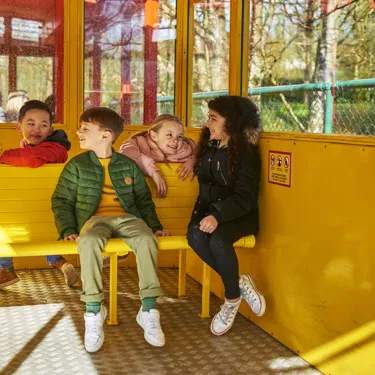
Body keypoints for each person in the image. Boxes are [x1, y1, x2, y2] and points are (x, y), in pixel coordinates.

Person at [51, 107, 169, 353]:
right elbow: (62, 201)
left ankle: (148, 309)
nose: (78, 132)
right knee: (89, 241)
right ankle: (93, 310)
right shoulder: (77, 165)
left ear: (105, 135)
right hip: (93, 220)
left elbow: (143, 201)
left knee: (147, 239)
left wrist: (155, 227)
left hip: (127, 218)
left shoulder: (127, 165)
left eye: (85, 129)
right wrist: (68, 229)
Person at [187, 95, 266, 336]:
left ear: (231, 123)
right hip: (208, 212)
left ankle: (231, 299)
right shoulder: (209, 145)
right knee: (195, 237)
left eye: (213, 119)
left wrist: (218, 216)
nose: (207, 124)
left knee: (218, 239)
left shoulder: (246, 153)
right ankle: (240, 283)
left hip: (238, 215)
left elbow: (245, 198)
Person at [0, 100, 78, 289]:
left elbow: (32, 159)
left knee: (8, 223)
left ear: (51, 130)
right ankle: (61, 262)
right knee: (27, 226)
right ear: (19, 127)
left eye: (43, 125)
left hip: (46, 213)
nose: (37, 129)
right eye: (31, 124)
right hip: (38, 215)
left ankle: (5, 269)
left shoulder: (55, 149)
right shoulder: (33, 149)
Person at [119, 114, 196, 198]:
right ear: (154, 136)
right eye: (169, 135)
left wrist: (193, 161)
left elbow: (205, 156)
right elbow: (125, 153)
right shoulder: (137, 142)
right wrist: (154, 172)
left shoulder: (187, 148)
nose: (175, 140)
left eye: (180, 136)